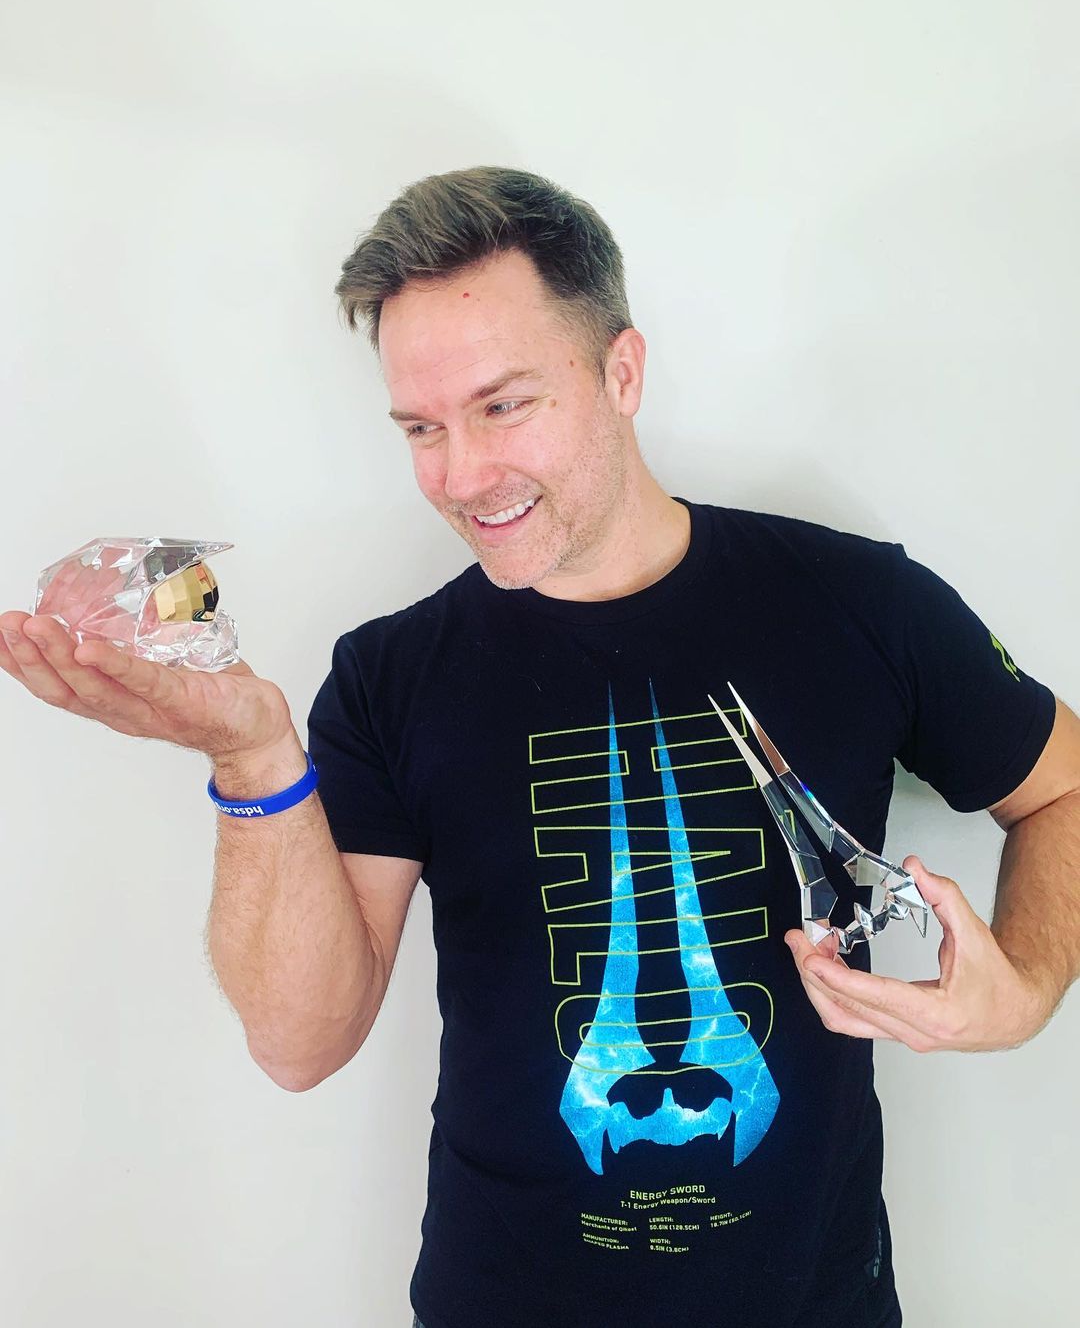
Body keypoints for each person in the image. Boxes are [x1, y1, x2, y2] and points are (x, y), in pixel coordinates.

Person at [3, 167, 1078, 1328]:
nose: (461, 476)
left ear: (623, 371)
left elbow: (1063, 787)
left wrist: (1027, 988)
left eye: (503, 406)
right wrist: (254, 762)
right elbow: (302, 1044)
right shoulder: (389, 677)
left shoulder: (860, 604)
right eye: (422, 428)